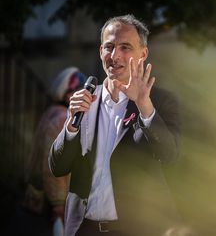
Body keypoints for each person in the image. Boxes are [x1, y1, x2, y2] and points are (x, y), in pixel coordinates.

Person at [48, 14, 180, 236]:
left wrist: (144, 105)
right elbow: (57, 167)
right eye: (109, 47)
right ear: (101, 51)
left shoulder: (161, 102)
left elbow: (169, 155)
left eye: (125, 47)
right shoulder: (85, 100)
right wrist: (72, 125)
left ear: (143, 54)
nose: (115, 55)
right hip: (83, 228)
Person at [22, 67, 86, 234]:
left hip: (38, 197)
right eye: (79, 91)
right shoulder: (62, 119)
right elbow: (53, 164)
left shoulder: (51, 113)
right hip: (53, 202)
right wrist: (58, 203)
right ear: (67, 94)